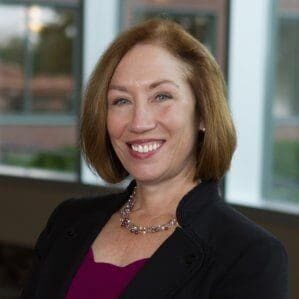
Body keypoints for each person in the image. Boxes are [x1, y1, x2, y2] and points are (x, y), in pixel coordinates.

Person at [21, 19, 288, 299]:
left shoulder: (250, 255)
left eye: (162, 96)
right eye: (121, 101)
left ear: (203, 114)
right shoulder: (69, 220)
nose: (139, 123)